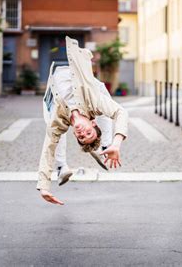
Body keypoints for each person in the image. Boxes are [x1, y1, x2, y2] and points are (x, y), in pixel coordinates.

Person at [37, 36, 128, 205]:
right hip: (79, 70)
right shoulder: (94, 102)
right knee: (105, 108)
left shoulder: (60, 121)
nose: (82, 132)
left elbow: (47, 151)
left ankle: (63, 165)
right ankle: (106, 146)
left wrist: (44, 187)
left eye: (81, 137)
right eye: (88, 132)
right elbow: (120, 112)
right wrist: (116, 143)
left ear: (75, 134)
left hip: (54, 76)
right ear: (93, 123)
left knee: (53, 131)